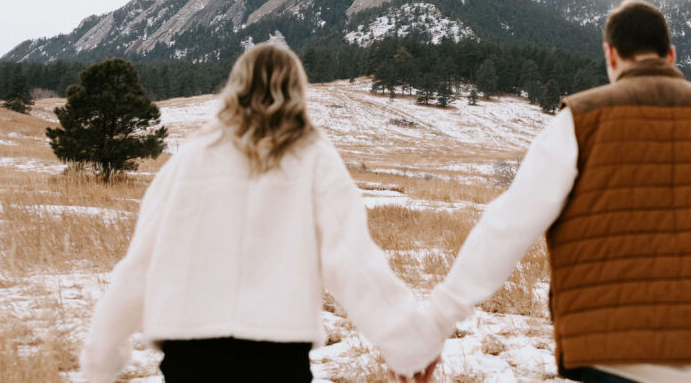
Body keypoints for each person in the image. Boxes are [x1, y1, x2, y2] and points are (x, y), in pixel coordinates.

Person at [419, 0, 691, 382]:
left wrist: (437, 321)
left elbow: (506, 226)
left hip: (618, 360)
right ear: (671, 55)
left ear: (610, 56)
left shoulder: (577, 122)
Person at [80, 42, 442, 382]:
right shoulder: (313, 156)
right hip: (276, 356)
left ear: (235, 87)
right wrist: (408, 345)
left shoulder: (191, 157)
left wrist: (101, 357)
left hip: (191, 354)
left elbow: (140, 265)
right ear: (298, 90)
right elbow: (352, 259)